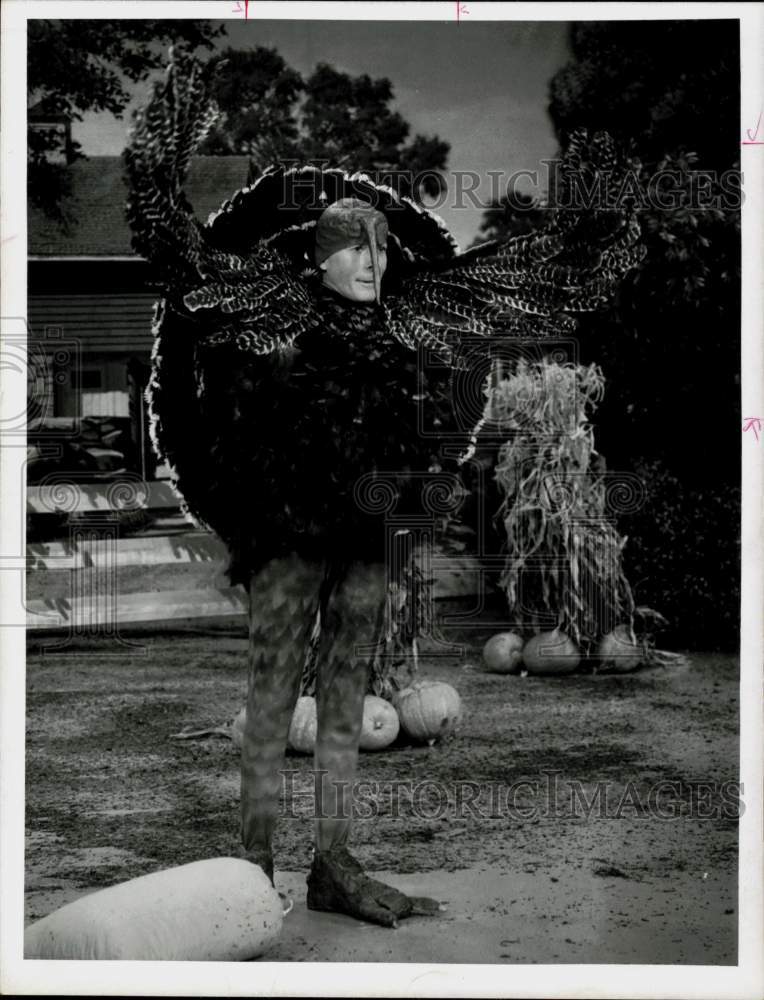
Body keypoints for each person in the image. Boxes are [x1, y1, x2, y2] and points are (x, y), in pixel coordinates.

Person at [125, 50, 644, 928]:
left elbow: (538, 285)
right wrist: (170, 138)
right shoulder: (268, 304)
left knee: (344, 685)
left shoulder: (409, 320)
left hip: (369, 525)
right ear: (318, 258)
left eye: (375, 248)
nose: (369, 262)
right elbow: (168, 239)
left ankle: (333, 863)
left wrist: (603, 210)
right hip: (286, 519)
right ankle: (254, 866)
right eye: (350, 249)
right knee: (271, 685)